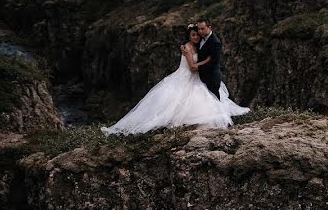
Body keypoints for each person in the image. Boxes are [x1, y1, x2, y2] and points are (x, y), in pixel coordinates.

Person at [101, 24, 249, 135]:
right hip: (186, 76)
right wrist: (208, 61)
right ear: (188, 36)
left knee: (204, 98)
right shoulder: (187, 48)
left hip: (196, 78)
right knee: (177, 101)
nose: (196, 37)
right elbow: (191, 67)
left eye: (197, 35)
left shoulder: (198, 47)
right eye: (193, 35)